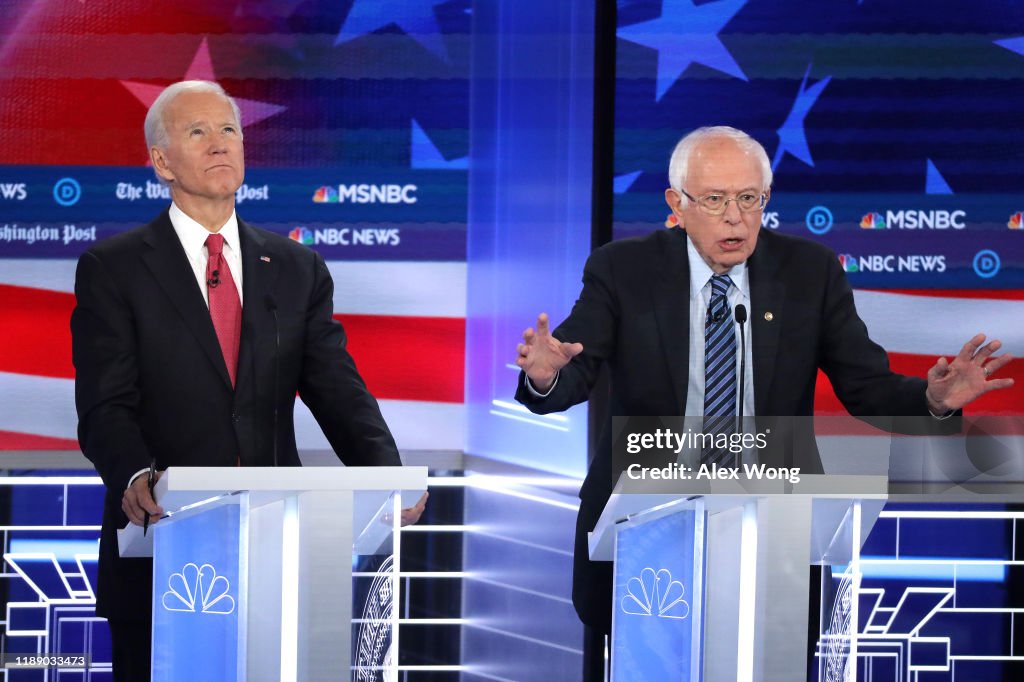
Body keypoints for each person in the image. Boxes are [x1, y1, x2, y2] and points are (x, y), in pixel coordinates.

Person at [514, 126, 1015, 640]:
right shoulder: (623, 269)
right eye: (714, 200)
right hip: (645, 524)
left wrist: (932, 400)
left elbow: (865, 386)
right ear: (676, 203)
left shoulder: (808, 272)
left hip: (774, 523)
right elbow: (575, 363)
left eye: (749, 199)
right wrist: (547, 376)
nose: (735, 216)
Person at [71, 80, 426, 680]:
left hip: (277, 543)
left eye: (229, 130)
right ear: (161, 161)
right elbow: (105, 405)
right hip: (162, 545)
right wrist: (134, 475)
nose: (220, 144)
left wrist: (387, 473)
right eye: (197, 132)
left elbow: (336, 387)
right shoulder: (115, 267)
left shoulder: (294, 267)